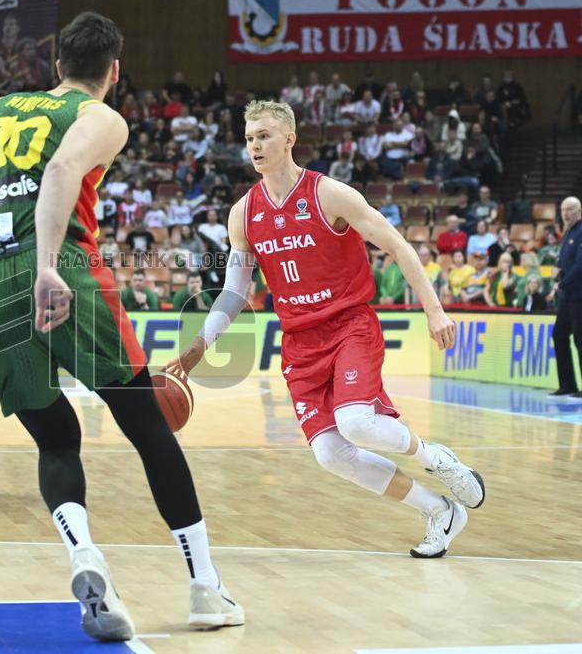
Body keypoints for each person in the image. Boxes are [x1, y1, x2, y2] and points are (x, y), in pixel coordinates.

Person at [0, 11, 243, 640]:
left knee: (57, 439)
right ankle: (205, 588)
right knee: (147, 425)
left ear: (56, 65)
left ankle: (86, 558)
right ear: (113, 73)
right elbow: (60, 172)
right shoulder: (101, 118)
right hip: (61, 273)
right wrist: (44, 268)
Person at [169, 100, 485, 560]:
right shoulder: (244, 213)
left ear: (289, 139)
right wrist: (202, 343)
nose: (255, 145)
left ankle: (437, 459)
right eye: (249, 137)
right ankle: (440, 511)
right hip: (299, 341)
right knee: (331, 454)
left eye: (264, 135)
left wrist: (433, 310)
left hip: (349, 325)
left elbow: (398, 245)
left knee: (357, 422)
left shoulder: (330, 194)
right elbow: (236, 289)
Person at [550, 196, 582, 397]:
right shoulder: (568, 233)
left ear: (579, 210)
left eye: (570, 209)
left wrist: (560, 282)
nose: (566, 213)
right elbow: (563, 260)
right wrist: (557, 268)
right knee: (559, 335)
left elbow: (580, 266)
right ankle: (568, 384)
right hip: (567, 295)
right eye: (563, 210)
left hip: (579, 295)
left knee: (580, 339)